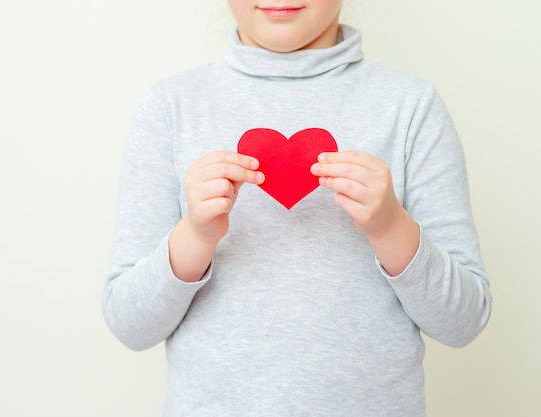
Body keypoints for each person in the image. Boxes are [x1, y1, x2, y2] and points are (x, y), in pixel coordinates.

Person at [102, 1, 492, 416]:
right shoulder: (171, 107)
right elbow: (130, 324)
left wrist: (390, 225)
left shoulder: (411, 107)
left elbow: (463, 322)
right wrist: (194, 237)